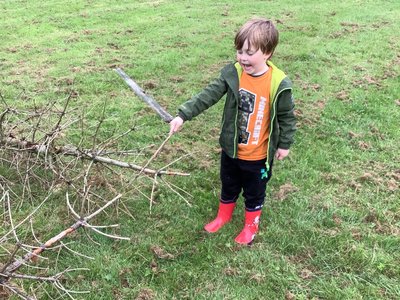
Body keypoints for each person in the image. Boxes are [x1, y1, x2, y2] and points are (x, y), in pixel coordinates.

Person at [169, 18, 296, 245]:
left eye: (249, 52)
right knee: (228, 183)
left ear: (267, 53)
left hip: (258, 157)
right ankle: (223, 216)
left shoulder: (278, 83)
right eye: (239, 51)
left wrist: (284, 144)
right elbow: (208, 95)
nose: (242, 57)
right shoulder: (234, 74)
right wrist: (183, 115)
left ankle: (250, 226)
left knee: (254, 192)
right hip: (232, 150)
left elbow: (287, 117)